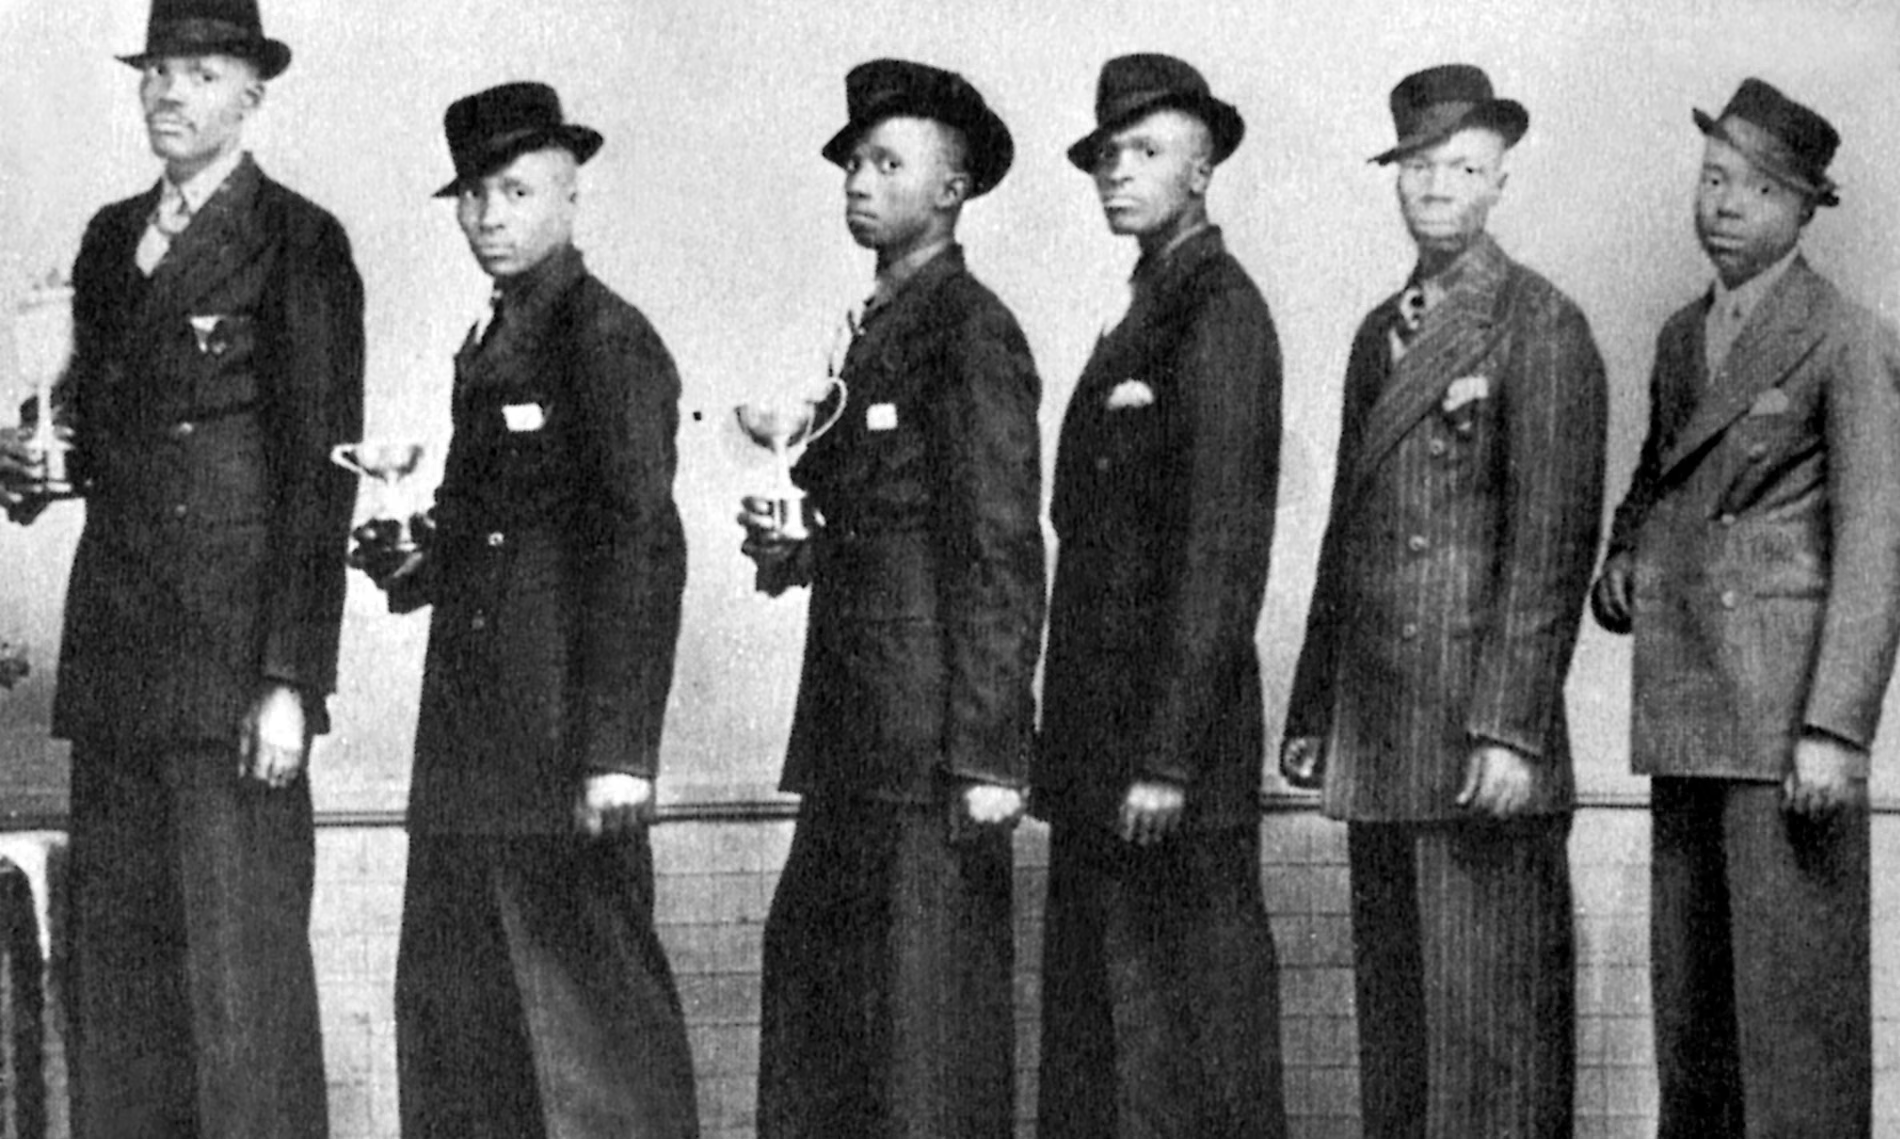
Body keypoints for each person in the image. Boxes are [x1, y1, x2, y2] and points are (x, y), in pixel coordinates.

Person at [0, 0, 363, 1134]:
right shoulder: (111, 241)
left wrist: (290, 678)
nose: (170, 92)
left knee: (241, 997)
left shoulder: (299, 240)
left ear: (252, 95)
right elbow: (87, 436)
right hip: (117, 668)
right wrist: (28, 458)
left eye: (202, 74)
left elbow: (320, 476)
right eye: (157, 70)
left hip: (230, 680)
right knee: (124, 994)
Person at [356, 82, 698, 1139]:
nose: (489, 216)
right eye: (473, 195)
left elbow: (641, 545)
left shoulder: (605, 338)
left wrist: (619, 751)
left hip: (558, 757)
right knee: (472, 1040)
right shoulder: (498, 336)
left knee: (594, 1053)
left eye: (515, 191)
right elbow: (502, 533)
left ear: (569, 193)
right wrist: (418, 560)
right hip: (472, 756)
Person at [1280, 64, 1606, 1138]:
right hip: (1381, 737)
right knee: (1402, 1047)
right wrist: (1315, 708)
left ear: (1501, 180)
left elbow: (1550, 548)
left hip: (1477, 746)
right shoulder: (1379, 329)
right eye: (1417, 166)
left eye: (1462, 168)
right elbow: (1346, 533)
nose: (1436, 186)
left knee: (1491, 1052)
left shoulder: (1539, 324)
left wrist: (1510, 729)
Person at [739, 58, 1044, 1139]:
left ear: (953, 188)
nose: (859, 183)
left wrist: (991, 756)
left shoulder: (969, 327)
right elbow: (876, 528)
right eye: (853, 165)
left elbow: (1000, 549)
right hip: (852, 743)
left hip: (929, 757)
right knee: (828, 1029)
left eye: (886, 163)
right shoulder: (874, 328)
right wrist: (798, 546)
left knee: (925, 1047)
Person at [1589, 78, 1900, 1139]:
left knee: (1792, 1030)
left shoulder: (1846, 337)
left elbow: (1877, 543)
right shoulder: (1683, 338)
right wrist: (1624, 551)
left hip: (1783, 734)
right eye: (1714, 177)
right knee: (1697, 1028)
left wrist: (1835, 727)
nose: (1723, 204)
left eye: (1757, 189)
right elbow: (1658, 474)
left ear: (1804, 209)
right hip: (1687, 710)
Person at [1033, 53, 1286, 1139]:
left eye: (1146, 151)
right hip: (1105, 745)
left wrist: (1171, 757)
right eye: (1107, 154)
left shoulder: (1218, 312)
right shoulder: (1144, 306)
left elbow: (1222, 553)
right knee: (1111, 1041)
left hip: (1169, 762)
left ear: (1202, 168)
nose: (1118, 172)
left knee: (1191, 1046)